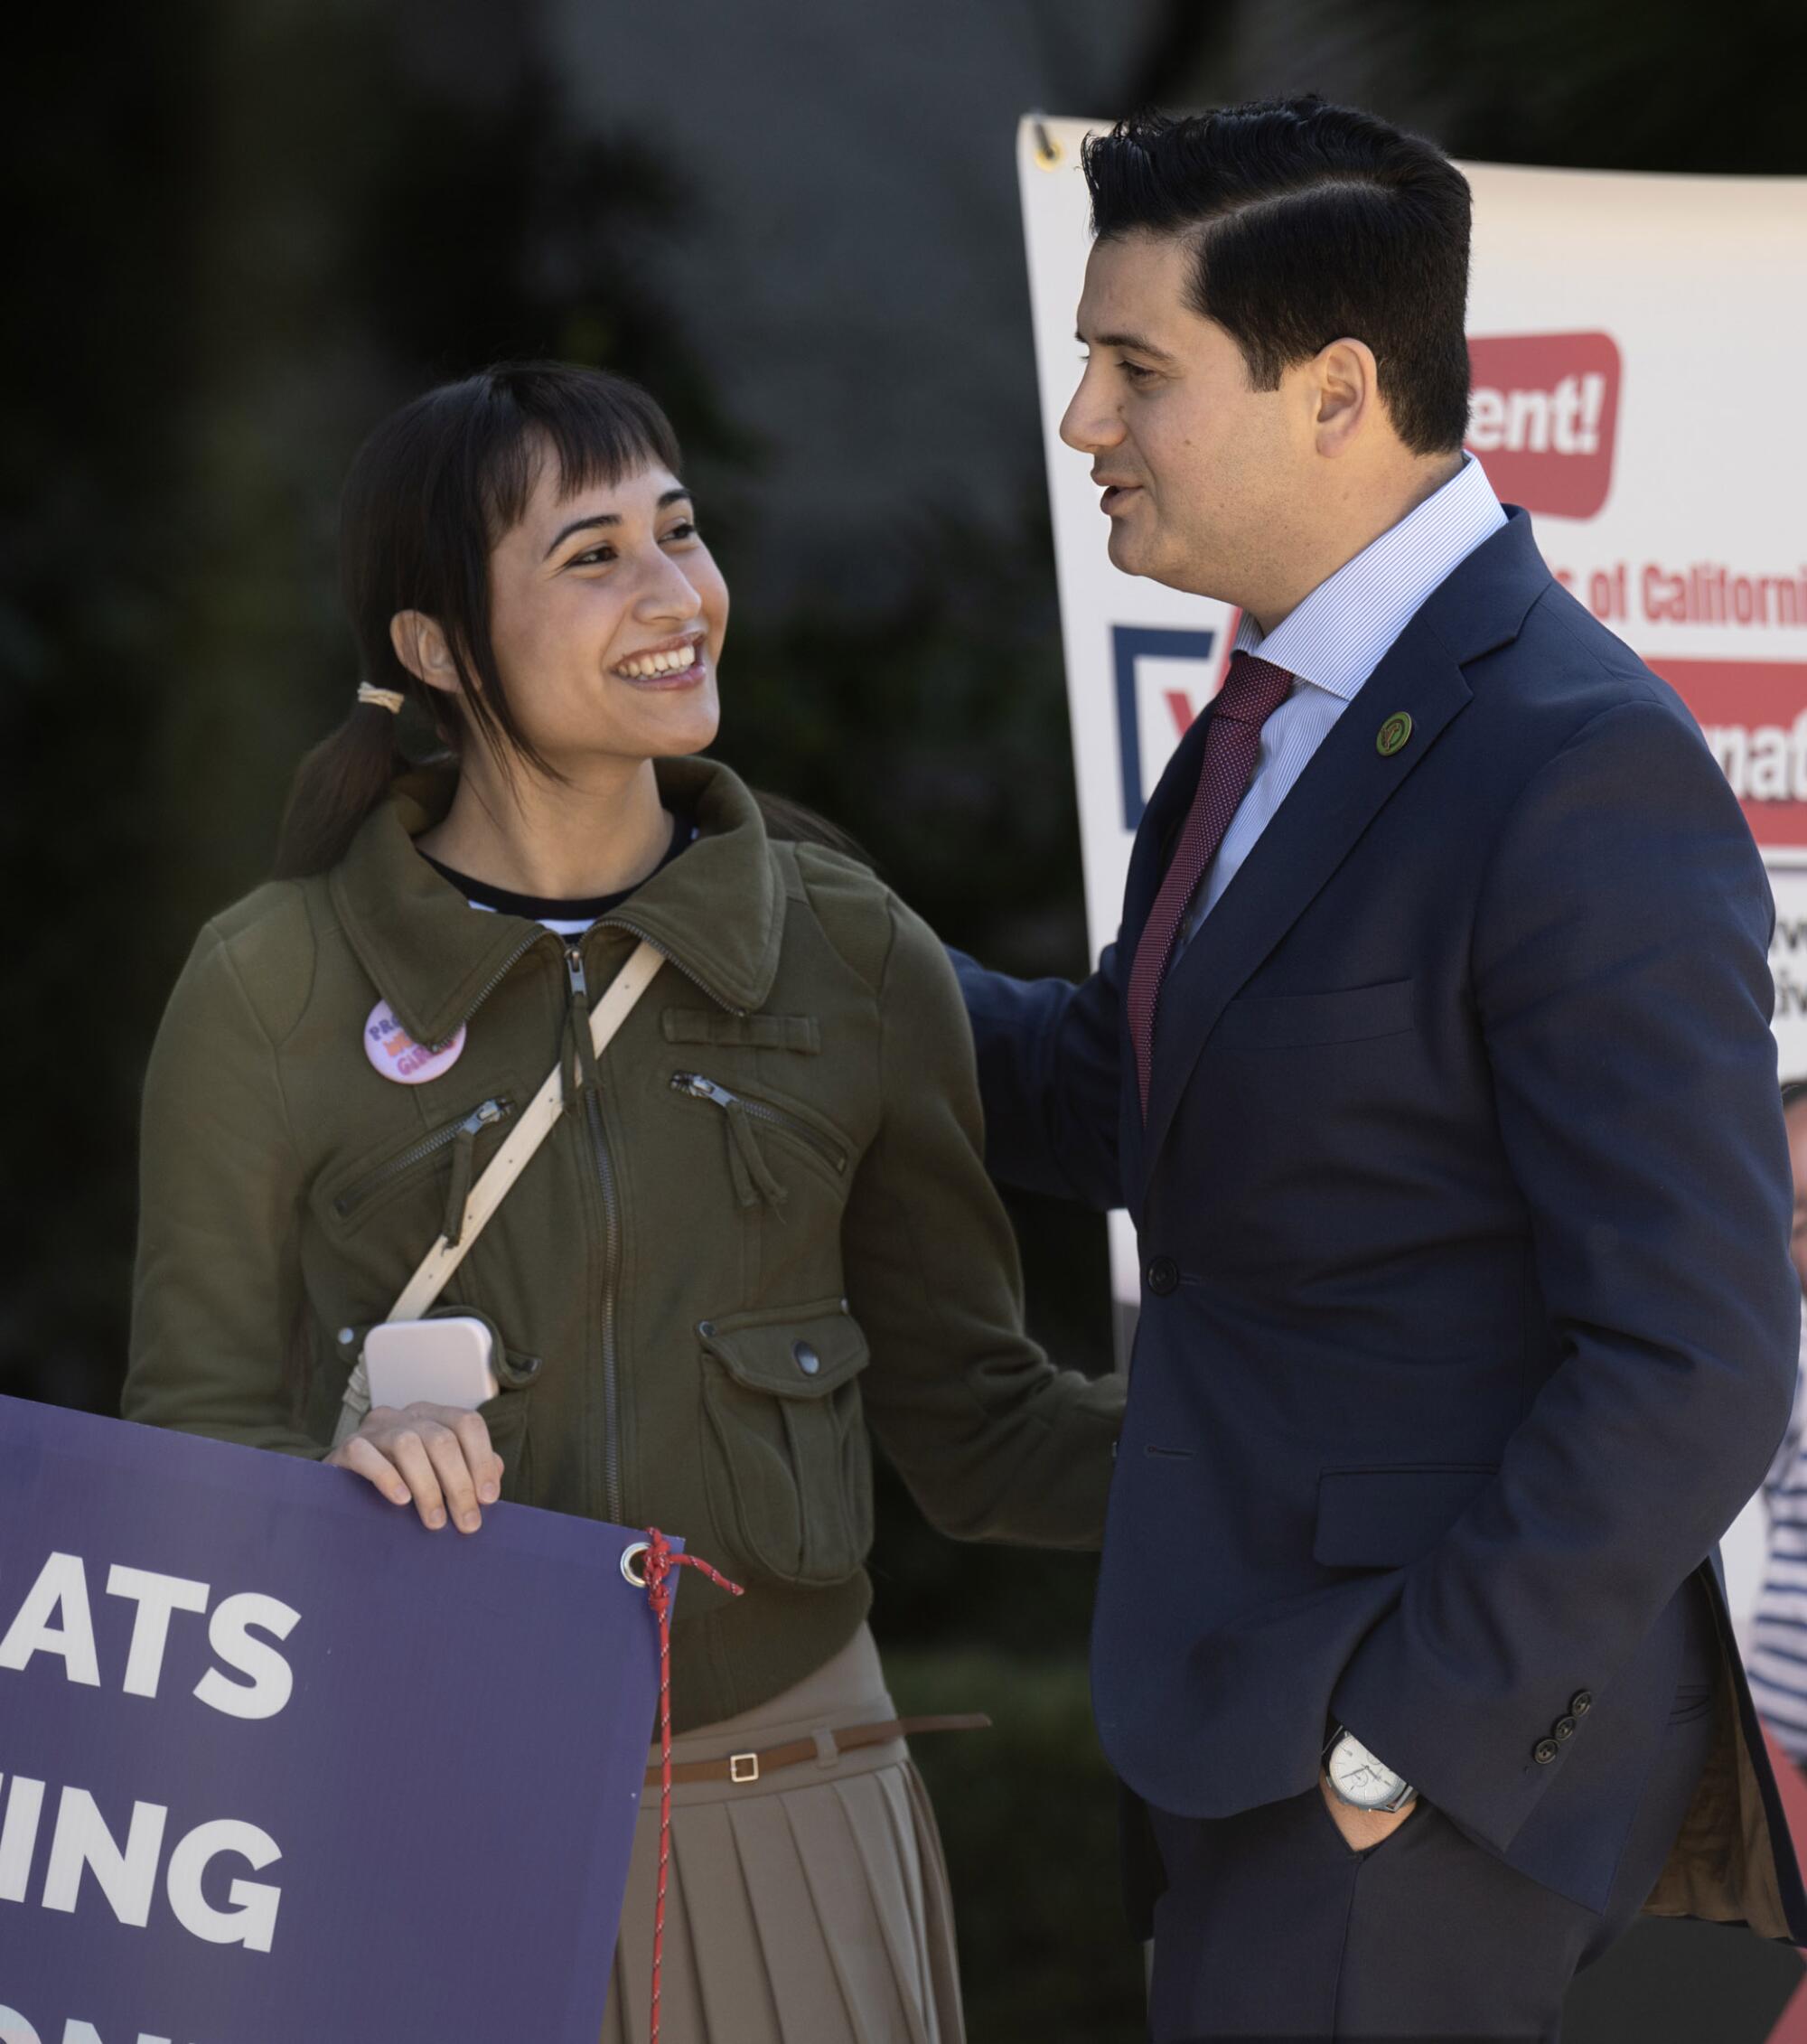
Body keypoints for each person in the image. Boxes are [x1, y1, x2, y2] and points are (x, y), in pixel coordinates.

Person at [124, 361, 1124, 2044]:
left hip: (794, 1803)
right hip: (415, 1819)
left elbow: (984, 1426)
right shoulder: (267, 986)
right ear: (437, 645)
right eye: (591, 556)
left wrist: (1303, 1445)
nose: (677, 597)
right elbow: (188, 1458)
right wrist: (331, 1485)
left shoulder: (855, 954)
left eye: (680, 531)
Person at [951, 98, 1807, 2039]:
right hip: (1244, 1724)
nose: (1085, 420)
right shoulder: (1270, 711)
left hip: (1396, 1791)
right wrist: (805, 956)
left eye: (1134, 367)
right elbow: (1122, 1094)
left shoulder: (1576, 763)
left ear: (1336, 392)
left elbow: (1696, 1358)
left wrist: (1395, 1742)